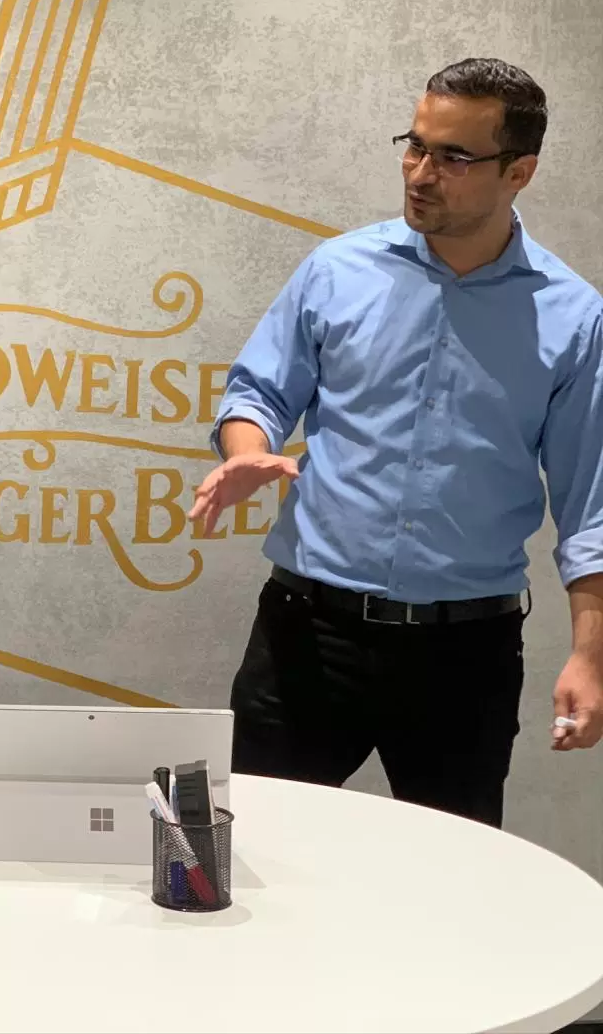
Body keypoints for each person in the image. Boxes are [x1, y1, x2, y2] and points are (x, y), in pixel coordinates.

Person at [189, 58, 603, 828]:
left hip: (465, 656)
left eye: (452, 156)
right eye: (413, 146)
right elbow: (258, 394)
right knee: (248, 857)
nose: (420, 172)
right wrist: (246, 452)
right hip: (307, 636)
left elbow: (593, 511)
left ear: (520, 171)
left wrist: (591, 656)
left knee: (453, 883)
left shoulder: (575, 319)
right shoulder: (337, 270)